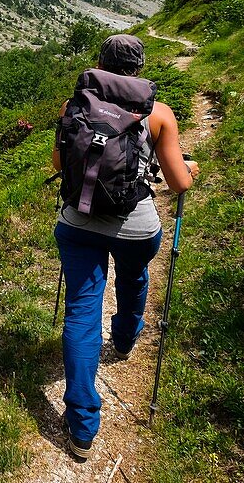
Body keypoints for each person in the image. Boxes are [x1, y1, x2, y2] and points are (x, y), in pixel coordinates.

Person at [51, 34, 199, 459]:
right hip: (135, 226)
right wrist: (188, 166)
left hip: (78, 222)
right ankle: (125, 337)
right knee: (134, 277)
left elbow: (60, 165)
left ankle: (81, 426)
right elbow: (179, 183)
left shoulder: (73, 106)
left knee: (81, 311)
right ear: (138, 67)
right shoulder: (159, 115)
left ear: (100, 63)